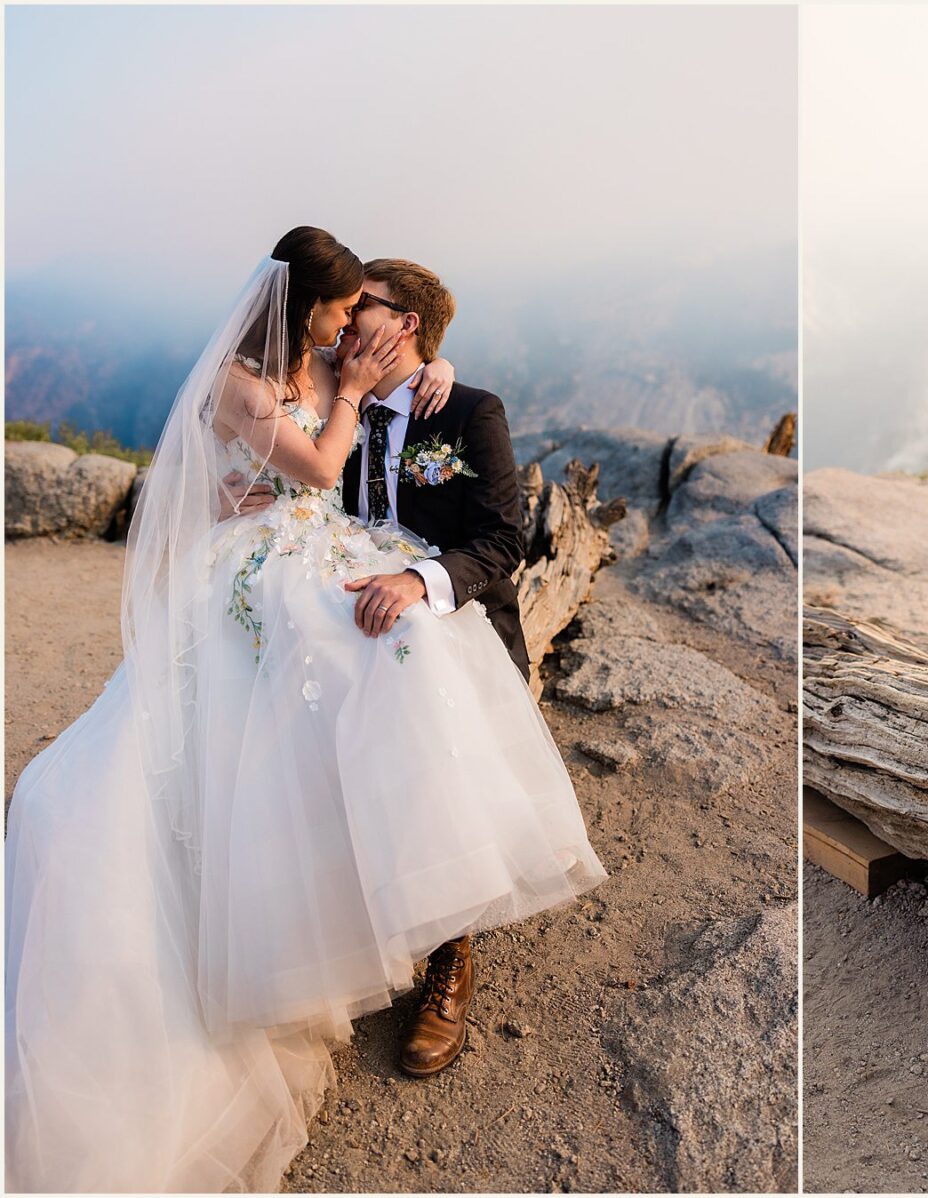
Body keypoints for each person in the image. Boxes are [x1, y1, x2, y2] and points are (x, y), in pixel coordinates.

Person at [4, 227, 608, 1192]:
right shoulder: (331, 375)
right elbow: (295, 451)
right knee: (289, 708)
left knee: (404, 670)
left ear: (400, 325)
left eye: (361, 314)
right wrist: (368, 386)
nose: (342, 331)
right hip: (307, 572)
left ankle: (447, 945)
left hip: (423, 594)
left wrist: (420, 577)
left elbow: (499, 537)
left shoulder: (467, 408)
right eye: (338, 313)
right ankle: (317, 918)